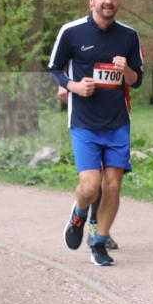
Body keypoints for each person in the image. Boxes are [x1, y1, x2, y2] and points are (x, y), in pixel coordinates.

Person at [48, 0, 143, 266]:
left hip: (117, 122)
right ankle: (79, 213)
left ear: (118, 1)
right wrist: (73, 86)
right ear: (91, 1)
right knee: (91, 187)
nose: (108, 1)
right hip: (84, 122)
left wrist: (126, 69)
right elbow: (54, 68)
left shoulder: (129, 36)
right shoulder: (72, 32)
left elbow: (137, 80)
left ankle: (99, 241)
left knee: (112, 186)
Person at [56, 85, 119, 250]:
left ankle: (96, 229)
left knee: (112, 177)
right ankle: (86, 219)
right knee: (93, 178)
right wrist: (63, 84)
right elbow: (64, 60)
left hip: (114, 106)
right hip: (85, 109)